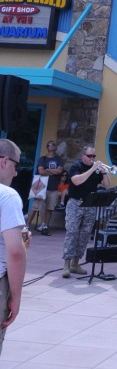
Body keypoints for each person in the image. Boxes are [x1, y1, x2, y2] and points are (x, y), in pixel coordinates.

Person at [62, 145, 112, 277]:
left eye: (94, 156)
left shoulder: (96, 170)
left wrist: (104, 172)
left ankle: (75, 263)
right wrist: (93, 169)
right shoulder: (76, 166)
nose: (92, 158)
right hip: (75, 203)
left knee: (84, 234)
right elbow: (77, 181)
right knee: (72, 232)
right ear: (82, 156)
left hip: (90, 205)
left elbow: (107, 186)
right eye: (90, 156)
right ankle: (66, 264)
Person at [0, 139, 28, 354]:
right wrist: (16, 298)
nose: (16, 173)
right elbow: (16, 252)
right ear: (5, 162)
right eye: (16, 166)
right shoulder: (7, 196)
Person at [26, 141, 64, 235]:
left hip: (53, 186)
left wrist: (47, 170)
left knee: (50, 207)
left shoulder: (59, 159)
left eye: (53, 144)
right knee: (36, 206)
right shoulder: (42, 158)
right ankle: (27, 226)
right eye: (49, 144)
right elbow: (41, 172)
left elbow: (59, 171)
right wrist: (52, 171)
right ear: (47, 147)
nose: (51, 146)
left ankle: (45, 226)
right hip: (41, 185)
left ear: (55, 147)